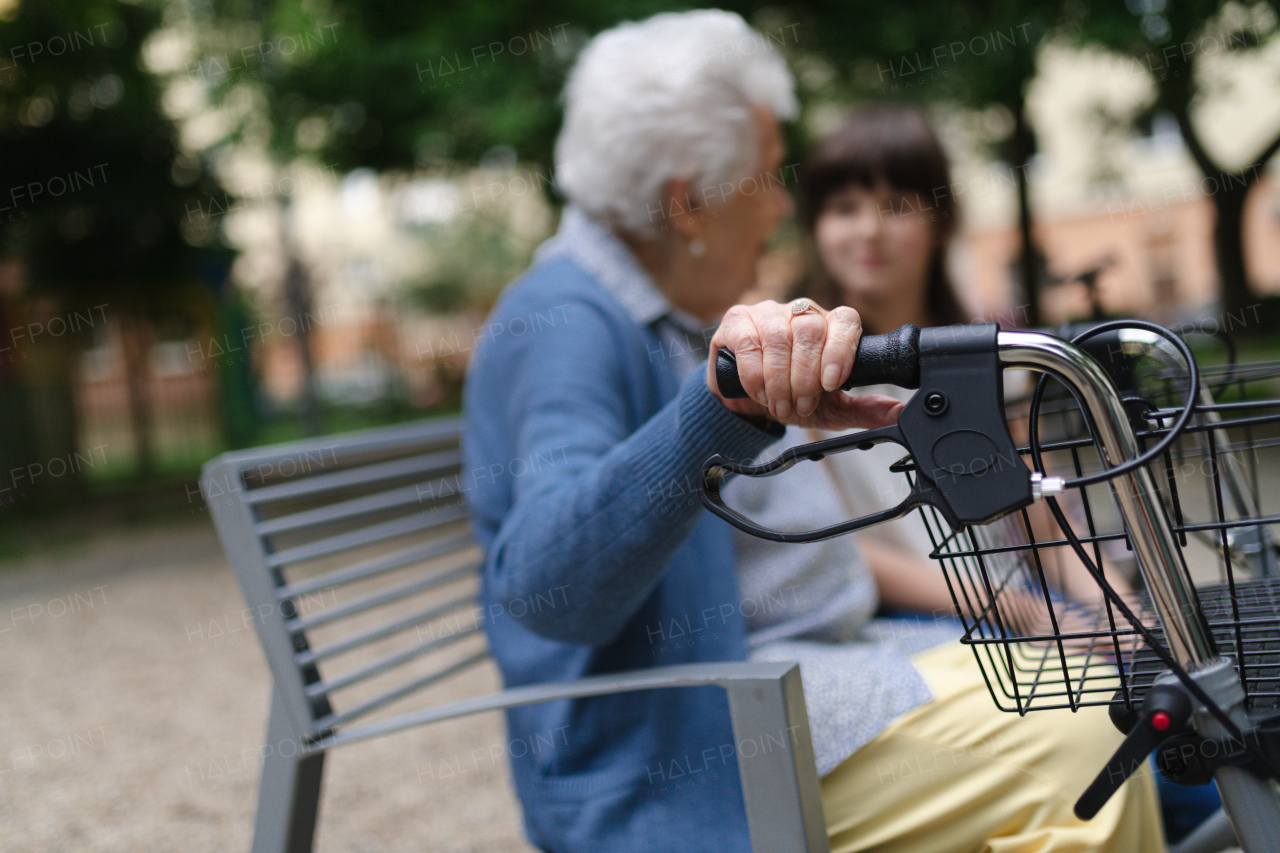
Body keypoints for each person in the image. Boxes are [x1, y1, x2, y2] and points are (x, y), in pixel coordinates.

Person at [463, 13, 1162, 852]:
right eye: (766, 177)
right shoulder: (565, 323)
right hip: (691, 745)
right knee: (1084, 745)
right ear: (688, 203)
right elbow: (551, 586)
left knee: (1125, 704)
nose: (782, 207)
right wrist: (725, 412)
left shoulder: (661, 310)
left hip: (822, 660)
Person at [798, 101, 1216, 843]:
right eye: (844, 206)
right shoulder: (807, 367)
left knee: (1192, 718)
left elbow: (1043, 508)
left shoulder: (988, 349)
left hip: (1014, 601)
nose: (868, 229)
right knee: (1152, 757)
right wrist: (1024, 612)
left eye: (895, 203)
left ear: (938, 219)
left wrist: (1120, 610)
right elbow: (841, 548)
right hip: (902, 624)